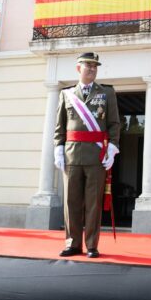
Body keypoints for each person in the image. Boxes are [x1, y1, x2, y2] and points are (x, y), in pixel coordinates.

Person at [54, 52, 121, 259]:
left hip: (96, 156)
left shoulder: (107, 93)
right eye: (87, 65)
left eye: (95, 66)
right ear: (78, 68)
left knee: (93, 203)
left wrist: (112, 148)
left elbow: (114, 123)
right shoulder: (66, 94)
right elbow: (60, 125)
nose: (92, 69)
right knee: (71, 202)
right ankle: (72, 243)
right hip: (72, 155)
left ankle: (92, 244)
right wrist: (58, 147)